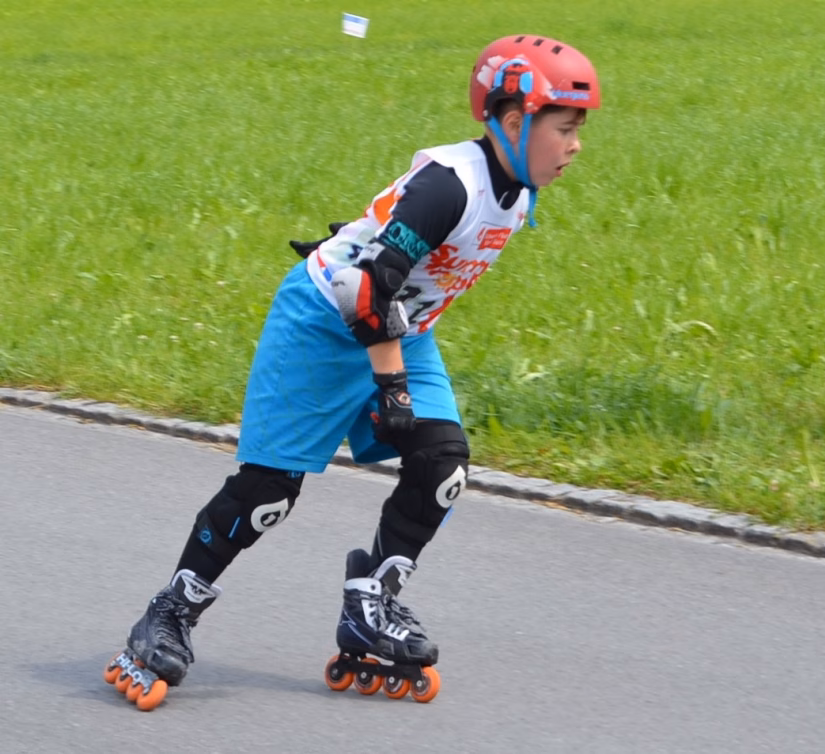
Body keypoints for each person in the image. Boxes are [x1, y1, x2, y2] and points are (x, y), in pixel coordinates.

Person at [105, 34, 601, 707]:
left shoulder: (515, 192)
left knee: (442, 463)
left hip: (398, 328)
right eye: (565, 129)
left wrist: (394, 350)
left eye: (579, 131)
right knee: (267, 496)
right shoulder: (450, 186)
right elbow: (365, 287)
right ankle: (169, 611)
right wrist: (391, 384)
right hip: (322, 321)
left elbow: (390, 269)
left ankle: (369, 603)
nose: (575, 146)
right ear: (513, 122)